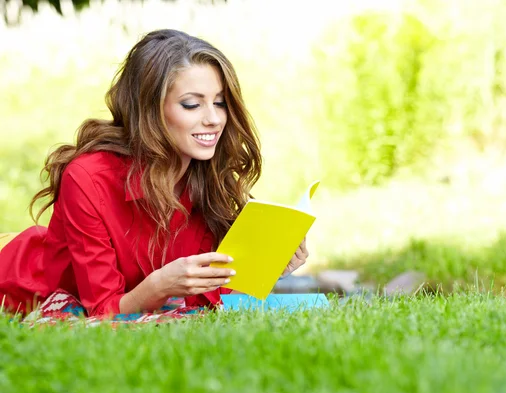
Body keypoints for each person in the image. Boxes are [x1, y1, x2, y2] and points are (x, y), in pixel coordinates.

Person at [0, 29, 309, 317]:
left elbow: (205, 299)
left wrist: (268, 264)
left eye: (219, 103)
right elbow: (103, 311)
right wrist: (159, 286)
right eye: (191, 105)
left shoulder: (202, 175)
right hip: (19, 281)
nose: (214, 119)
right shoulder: (87, 178)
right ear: (149, 110)